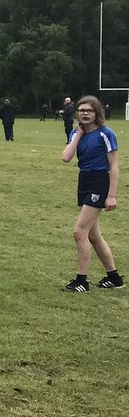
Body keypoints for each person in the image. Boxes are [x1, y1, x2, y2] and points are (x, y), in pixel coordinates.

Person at [61, 95, 122, 291]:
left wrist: (111, 195)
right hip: (84, 179)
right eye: (81, 110)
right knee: (93, 235)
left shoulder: (106, 133)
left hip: (99, 180)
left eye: (89, 110)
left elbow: (114, 165)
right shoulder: (76, 133)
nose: (85, 113)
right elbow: (66, 157)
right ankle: (114, 278)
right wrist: (78, 135)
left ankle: (82, 281)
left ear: (97, 113)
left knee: (79, 232)